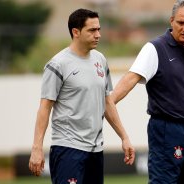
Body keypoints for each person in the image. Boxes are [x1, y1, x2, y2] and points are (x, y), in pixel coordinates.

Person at [111, 0, 184, 183]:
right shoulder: (155, 48)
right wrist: (107, 103)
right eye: (181, 23)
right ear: (171, 21)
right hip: (167, 129)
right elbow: (129, 79)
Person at [28, 8, 135, 184]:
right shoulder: (57, 64)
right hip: (68, 148)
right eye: (92, 30)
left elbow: (107, 101)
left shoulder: (100, 59)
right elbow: (44, 108)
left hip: (95, 150)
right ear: (75, 32)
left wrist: (124, 137)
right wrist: (37, 148)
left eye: (99, 29)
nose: (98, 34)